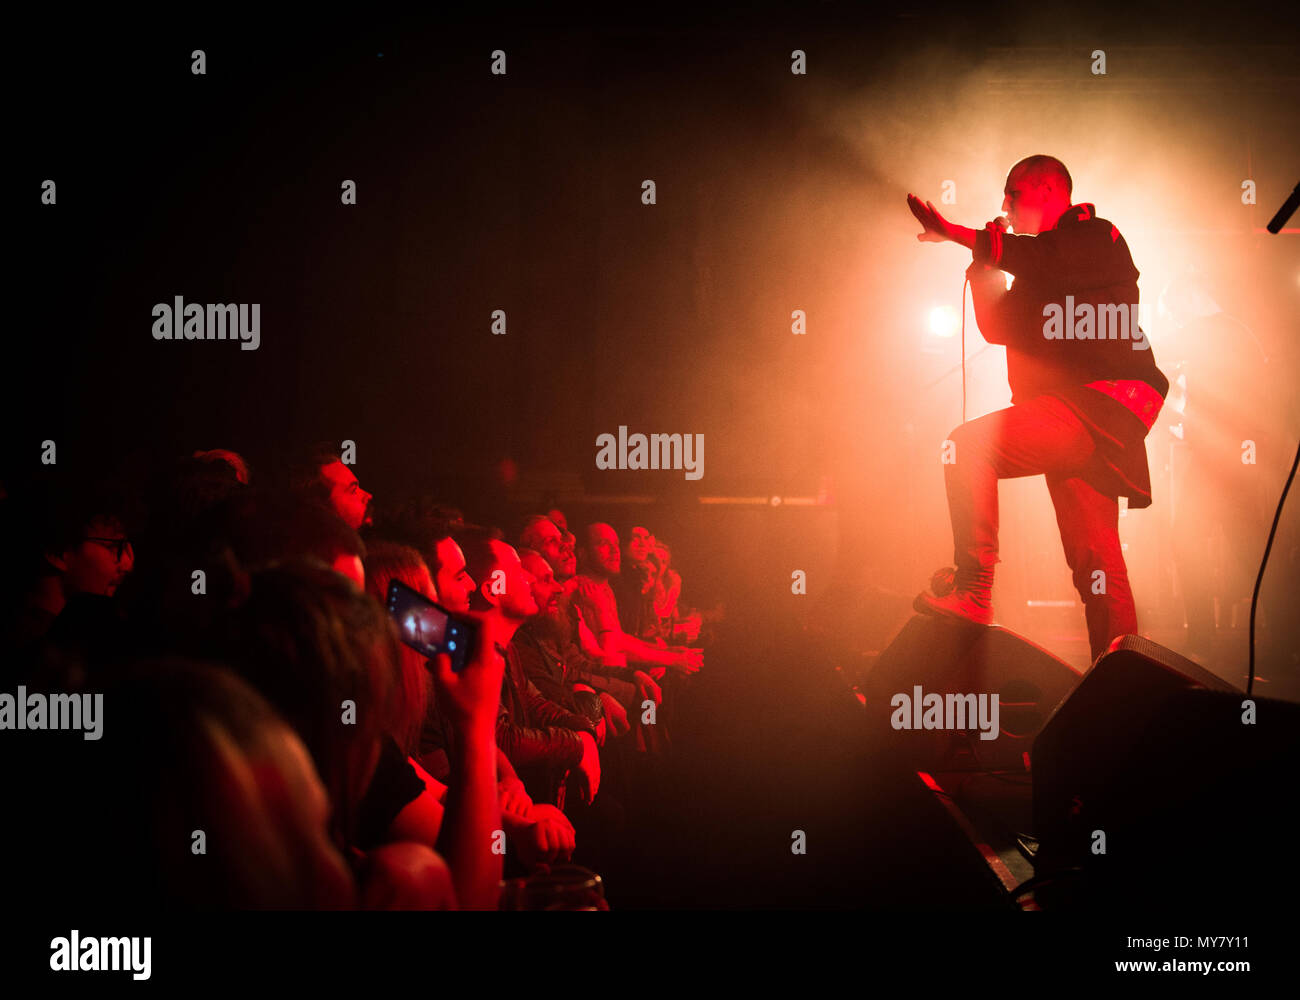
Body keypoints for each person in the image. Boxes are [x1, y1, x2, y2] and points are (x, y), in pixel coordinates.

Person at [906, 155, 1169, 661]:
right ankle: (1121, 676)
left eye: (1014, 193)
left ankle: (975, 589)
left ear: (1050, 190)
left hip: (1102, 402)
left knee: (966, 447)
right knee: (1095, 561)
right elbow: (1001, 328)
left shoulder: (1097, 235)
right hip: (1075, 416)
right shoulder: (1038, 267)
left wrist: (959, 233)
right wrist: (984, 270)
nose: (1005, 205)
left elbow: (1047, 260)